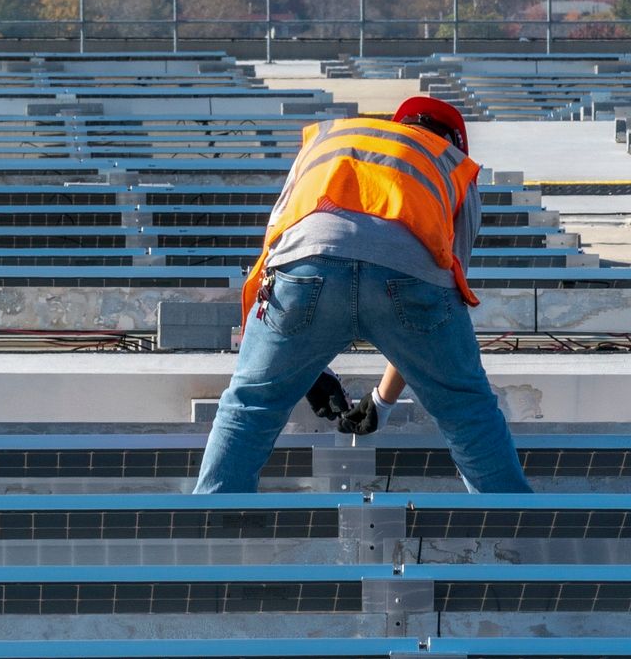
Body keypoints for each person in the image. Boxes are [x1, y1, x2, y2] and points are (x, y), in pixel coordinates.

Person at [195, 96, 530, 493]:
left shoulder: (333, 140)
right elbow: (437, 299)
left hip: (304, 268)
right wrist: (382, 402)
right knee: (467, 410)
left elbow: (275, 249)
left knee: (250, 406)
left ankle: (213, 523)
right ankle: (511, 528)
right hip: (409, 278)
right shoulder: (451, 165)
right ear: (454, 141)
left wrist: (308, 371)